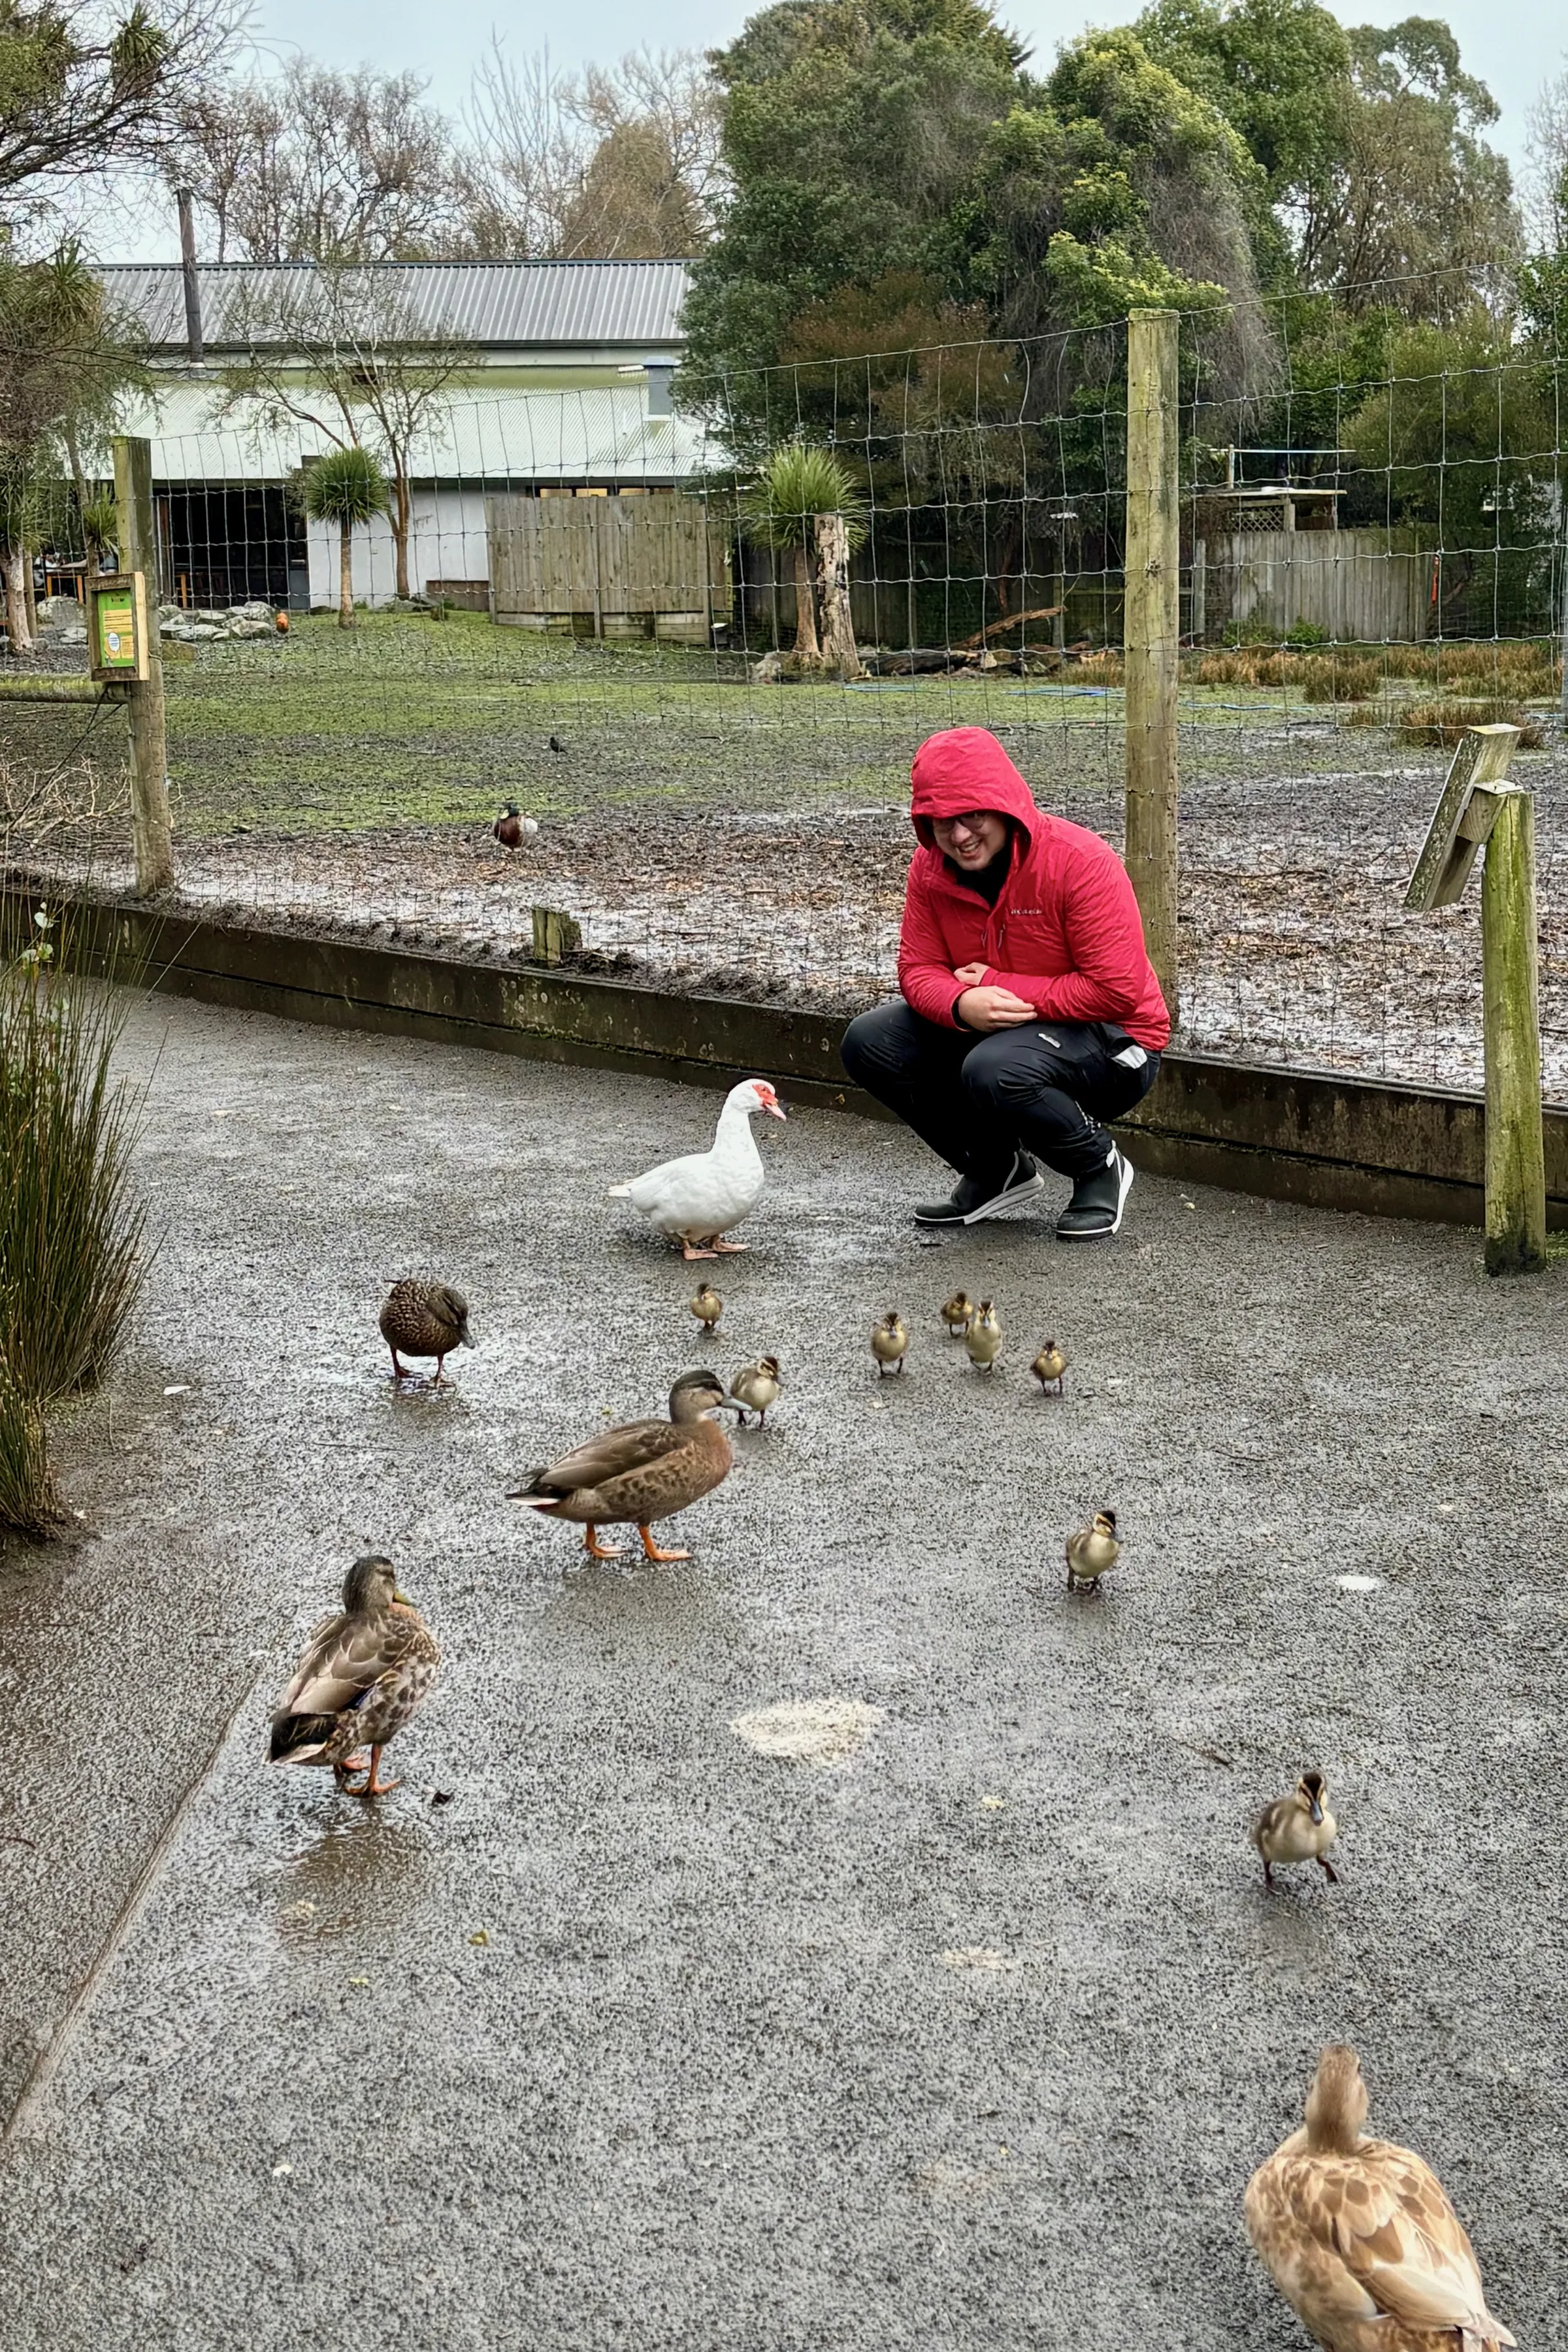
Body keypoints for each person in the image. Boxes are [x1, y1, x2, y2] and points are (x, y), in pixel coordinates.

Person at [841, 725, 1169, 1241]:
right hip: (1005, 1032)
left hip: (1115, 1042)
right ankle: (996, 1169)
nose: (960, 836)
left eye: (973, 815)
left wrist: (997, 984)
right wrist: (960, 1004)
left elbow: (1117, 991)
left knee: (995, 1067)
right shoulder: (929, 869)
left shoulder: (1079, 862)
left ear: (1004, 806)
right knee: (870, 1042)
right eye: (942, 822)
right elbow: (918, 969)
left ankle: (1098, 1167)